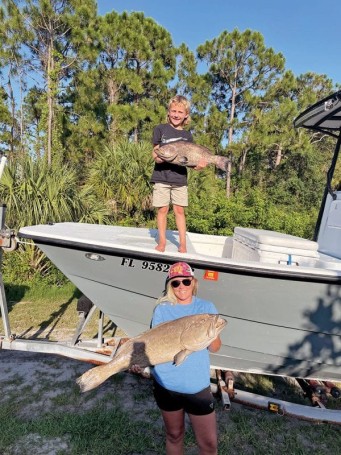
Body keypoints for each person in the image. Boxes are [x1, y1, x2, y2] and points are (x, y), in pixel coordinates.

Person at [151, 262, 221, 455]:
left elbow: (215, 348)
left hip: (197, 387)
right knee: (174, 435)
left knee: (209, 444)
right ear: (170, 286)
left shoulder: (206, 307)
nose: (181, 286)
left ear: (193, 282)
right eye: (175, 283)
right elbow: (153, 344)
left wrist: (212, 332)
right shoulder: (162, 310)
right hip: (166, 384)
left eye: (185, 281)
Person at [150, 95, 207, 253]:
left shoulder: (188, 135)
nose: (176, 114)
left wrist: (199, 166)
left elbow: (189, 161)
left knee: (179, 211)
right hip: (161, 177)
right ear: (168, 112)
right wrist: (159, 157)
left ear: (186, 115)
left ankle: (182, 244)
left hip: (180, 179)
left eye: (180, 112)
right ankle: (162, 241)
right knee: (162, 210)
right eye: (173, 111)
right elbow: (155, 153)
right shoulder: (160, 129)